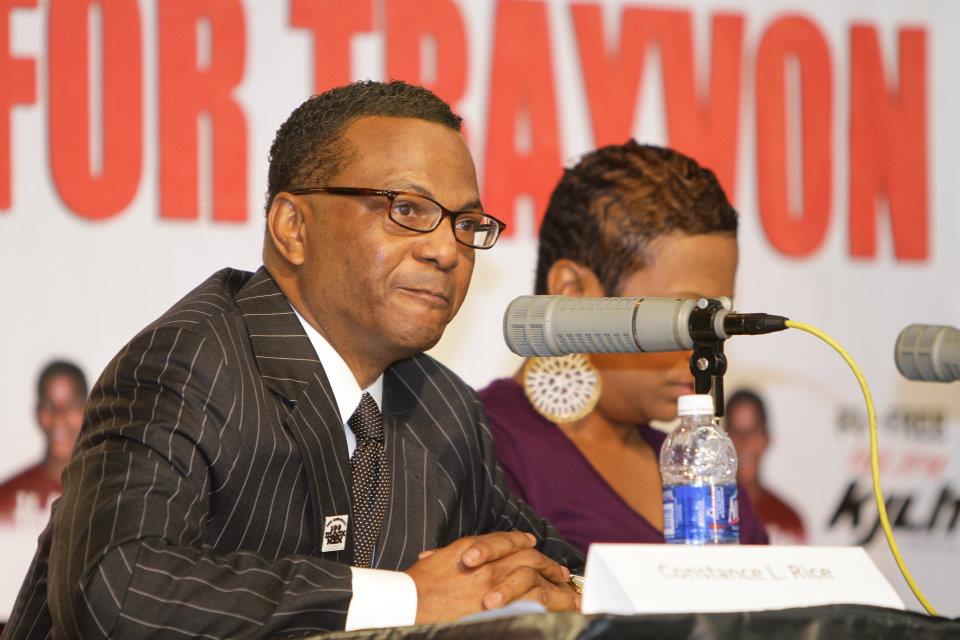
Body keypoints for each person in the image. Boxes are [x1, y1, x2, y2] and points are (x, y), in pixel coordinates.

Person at [2, 80, 581, 640]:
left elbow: (557, 567)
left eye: (465, 224)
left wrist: (564, 594)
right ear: (293, 227)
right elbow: (114, 589)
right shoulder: (189, 363)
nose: (446, 250)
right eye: (406, 210)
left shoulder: (444, 409)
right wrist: (406, 599)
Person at [479, 141, 769, 553]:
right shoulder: (480, 445)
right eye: (686, 318)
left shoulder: (703, 467)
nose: (707, 344)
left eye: (718, 319)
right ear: (573, 292)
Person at [0, 361, 86, 524]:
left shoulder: (108, 490)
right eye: (48, 404)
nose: (59, 417)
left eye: (71, 405)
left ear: (88, 408)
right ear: (37, 412)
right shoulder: (7, 498)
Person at [725, 389, 807, 544]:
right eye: (736, 432)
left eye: (753, 431)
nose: (745, 442)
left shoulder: (788, 519)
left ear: (766, 439)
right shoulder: (710, 513)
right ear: (722, 440)